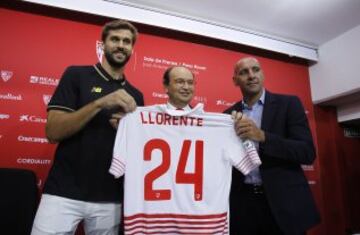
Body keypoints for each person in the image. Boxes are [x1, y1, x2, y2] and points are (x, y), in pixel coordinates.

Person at [109, 65, 260, 235]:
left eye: (190, 82)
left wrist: (242, 132)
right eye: (180, 81)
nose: (186, 86)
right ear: (165, 86)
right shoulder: (136, 121)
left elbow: (251, 164)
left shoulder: (221, 125)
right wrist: (126, 125)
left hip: (199, 227)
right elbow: (118, 168)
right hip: (153, 226)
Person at [31, 19, 144, 235]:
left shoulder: (136, 96)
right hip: (62, 193)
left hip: (109, 198)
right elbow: (53, 132)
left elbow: (137, 153)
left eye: (127, 41)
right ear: (102, 44)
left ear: (132, 49)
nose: (121, 45)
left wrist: (125, 131)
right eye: (115, 39)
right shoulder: (76, 75)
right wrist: (100, 103)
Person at [224, 57, 320, 235]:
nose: (251, 76)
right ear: (235, 80)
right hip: (243, 205)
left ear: (263, 74)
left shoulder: (289, 104)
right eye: (244, 72)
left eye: (255, 70)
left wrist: (263, 137)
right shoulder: (227, 115)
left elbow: (306, 152)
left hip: (285, 205)